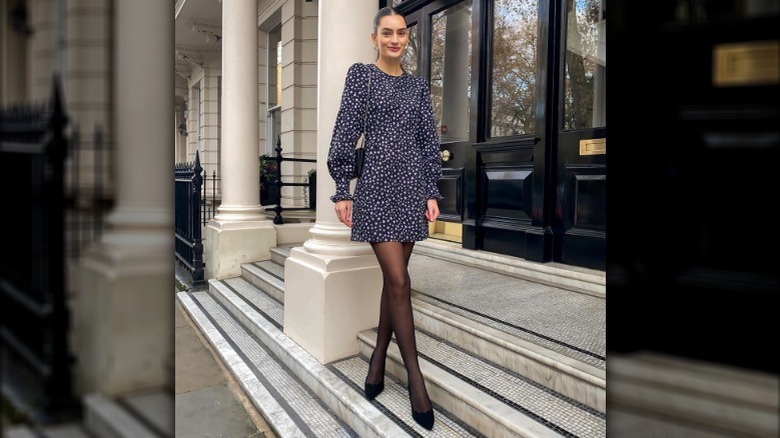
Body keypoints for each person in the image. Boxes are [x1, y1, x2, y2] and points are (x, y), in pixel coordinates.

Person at [326, 6, 442, 432]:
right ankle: (415, 378)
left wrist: (431, 189)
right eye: (387, 33)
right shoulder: (361, 76)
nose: (396, 39)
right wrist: (342, 188)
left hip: (411, 191)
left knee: (396, 282)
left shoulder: (416, 87)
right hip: (375, 189)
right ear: (374, 37)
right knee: (399, 281)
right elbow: (345, 132)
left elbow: (428, 140)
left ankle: (377, 361)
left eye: (402, 34)